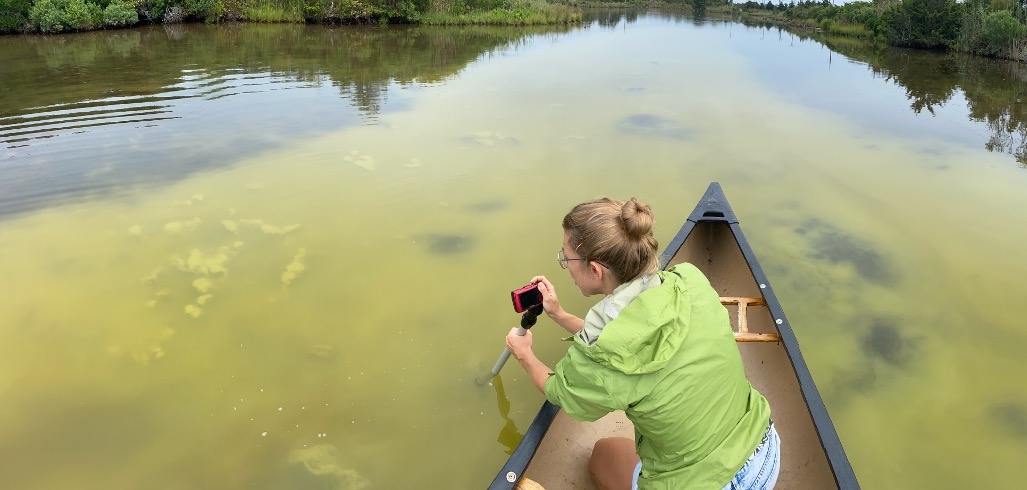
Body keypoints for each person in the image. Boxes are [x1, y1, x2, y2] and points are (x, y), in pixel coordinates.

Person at [505, 197, 780, 490]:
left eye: (566, 259)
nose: (565, 266)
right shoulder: (689, 282)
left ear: (595, 270)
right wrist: (559, 315)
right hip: (765, 454)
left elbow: (560, 391)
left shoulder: (607, 350)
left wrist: (524, 355)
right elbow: (627, 336)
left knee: (600, 457)